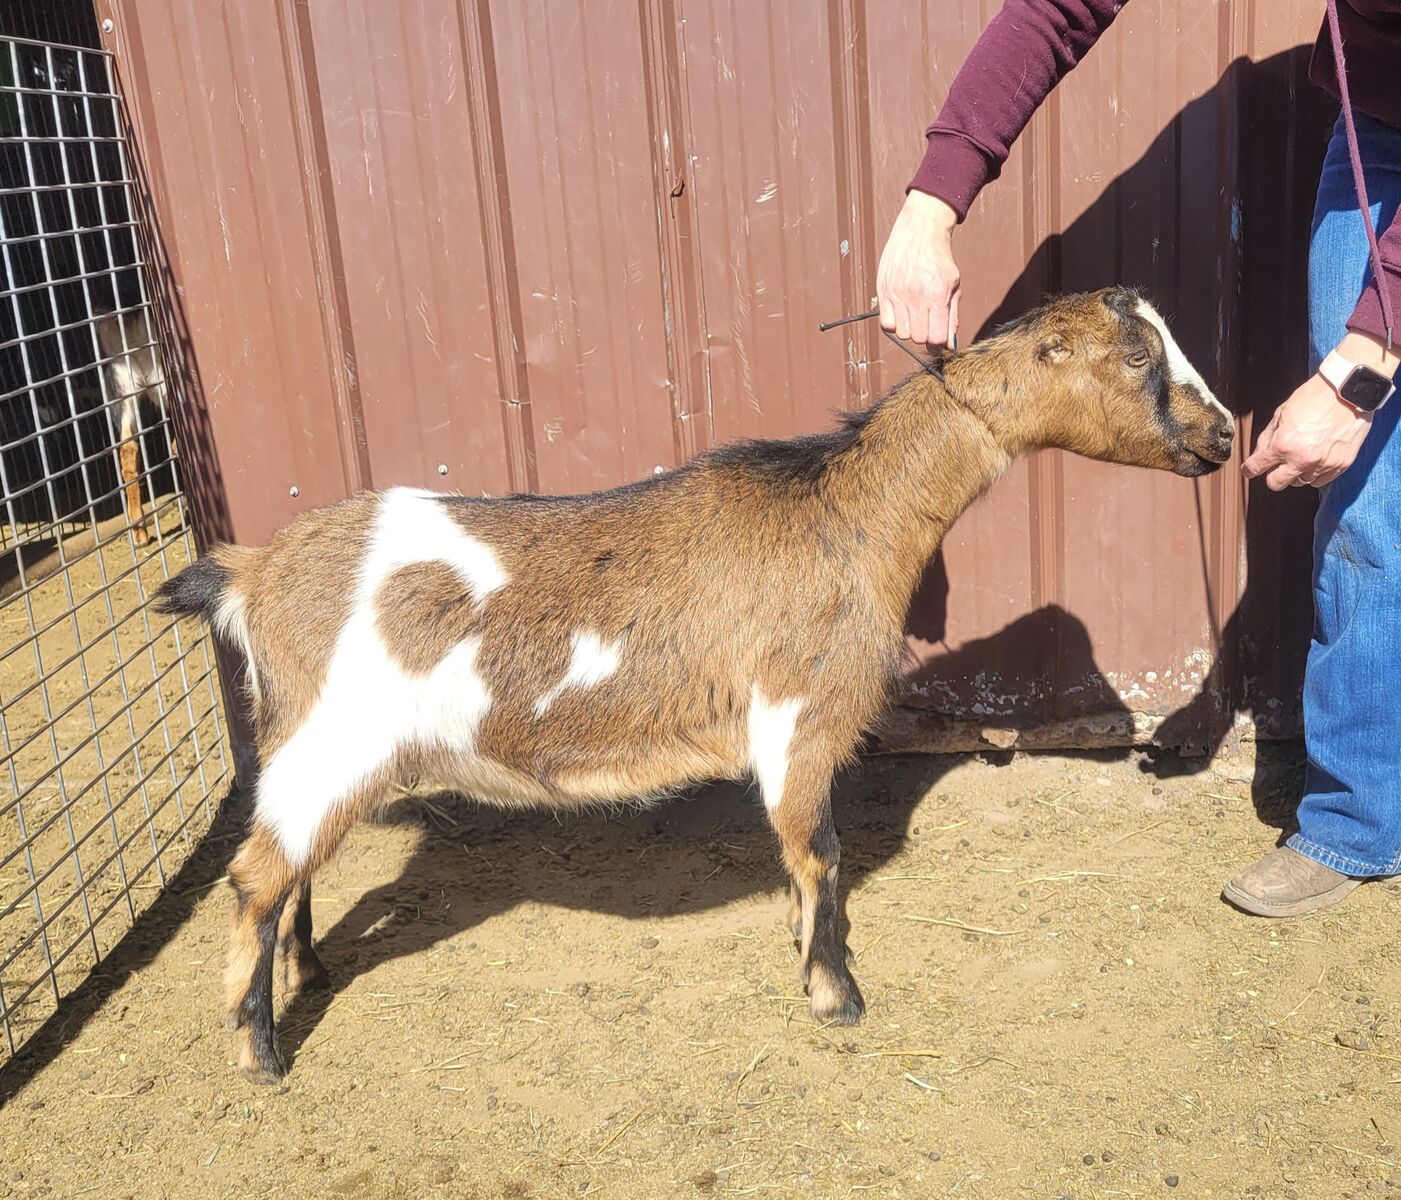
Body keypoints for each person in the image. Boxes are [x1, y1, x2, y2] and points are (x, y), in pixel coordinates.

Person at [877, 0, 1401, 917]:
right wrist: (929, 209)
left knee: (1356, 416)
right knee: (1363, 499)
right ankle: (1361, 818)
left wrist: (1359, 375)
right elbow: (1055, 11)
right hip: (1380, 134)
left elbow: (1359, 375)